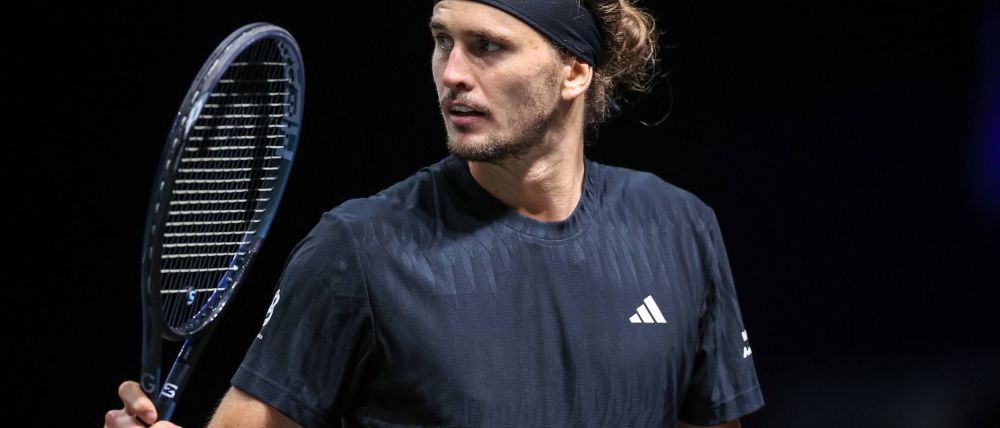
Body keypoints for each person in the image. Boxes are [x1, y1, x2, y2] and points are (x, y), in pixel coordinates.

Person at [106, 0, 764, 426]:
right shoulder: (358, 248)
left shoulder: (679, 228)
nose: (452, 74)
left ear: (574, 72)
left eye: (488, 47)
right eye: (442, 41)